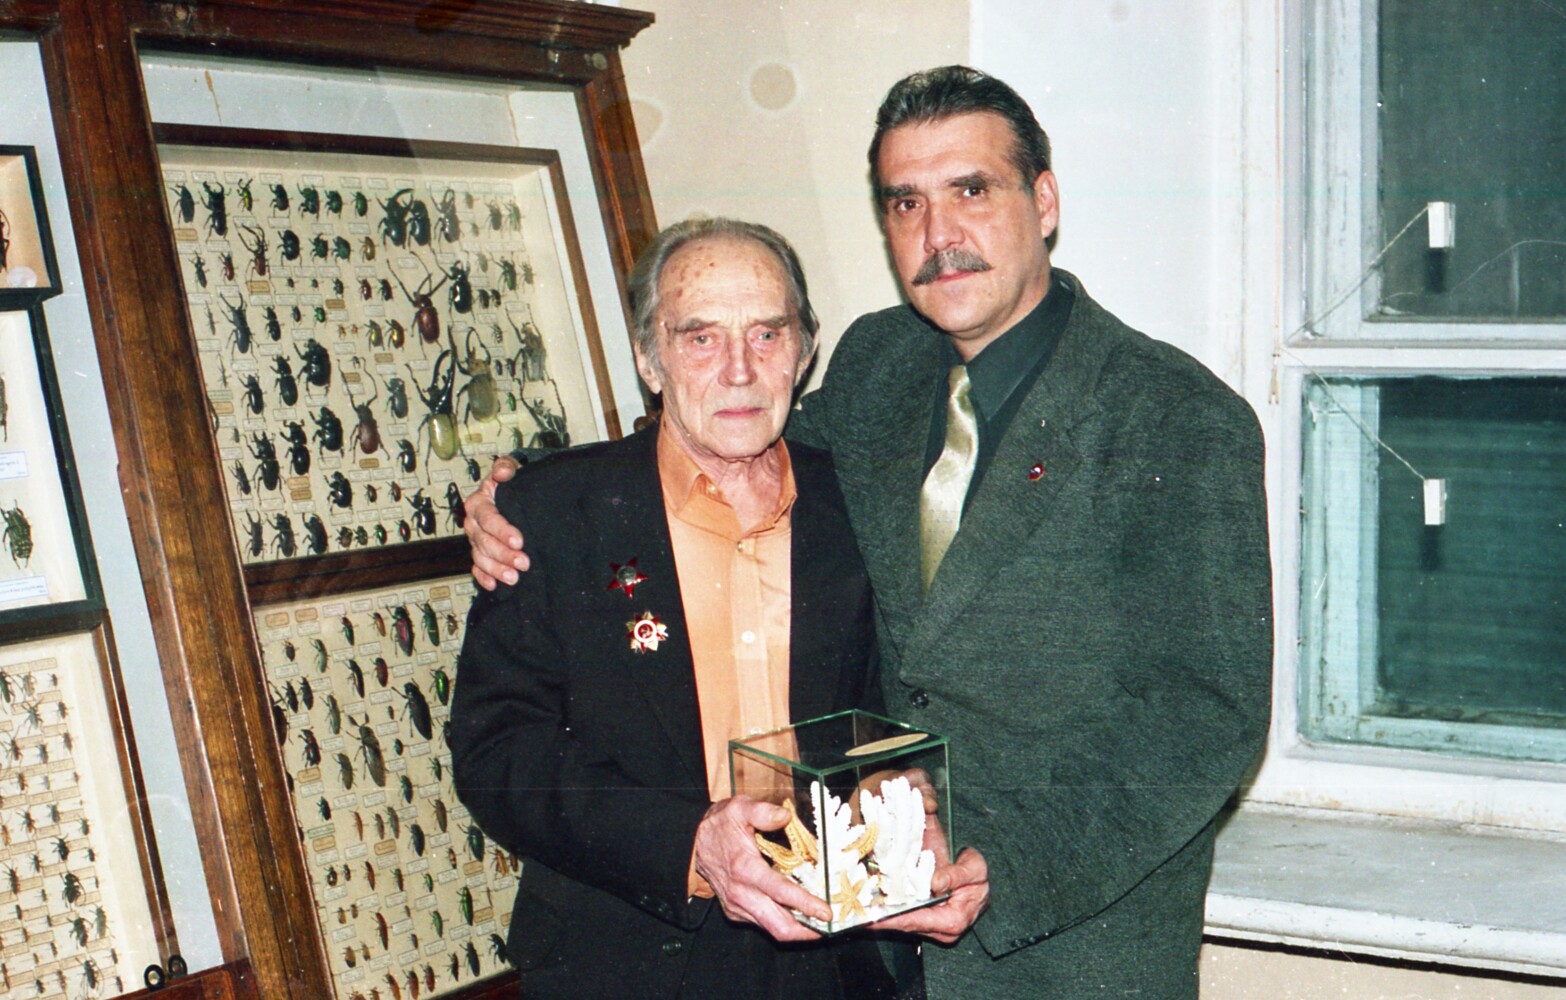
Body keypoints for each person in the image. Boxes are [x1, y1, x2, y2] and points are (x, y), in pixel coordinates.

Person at [466, 67, 1273, 999]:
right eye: (906, 202)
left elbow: (1202, 715)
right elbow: (723, 436)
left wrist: (1005, 863)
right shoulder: (881, 365)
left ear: (1045, 202)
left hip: (1059, 946)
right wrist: (524, 487)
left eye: (972, 190)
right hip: (867, 954)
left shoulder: (1174, 417)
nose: (939, 234)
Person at [449, 218, 904, 999]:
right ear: (647, 358)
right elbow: (497, 752)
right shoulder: (555, 513)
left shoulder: (860, 503)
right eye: (700, 338)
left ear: (805, 352)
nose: (739, 370)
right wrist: (689, 845)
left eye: (767, 333)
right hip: (628, 954)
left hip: (831, 958)